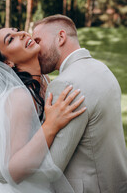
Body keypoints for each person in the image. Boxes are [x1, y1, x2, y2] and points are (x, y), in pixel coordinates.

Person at [0, 27, 86, 193]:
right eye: (10, 39)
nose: (22, 34)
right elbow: (15, 171)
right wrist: (51, 125)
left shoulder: (43, 79)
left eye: (17, 30)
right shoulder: (20, 97)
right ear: (8, 63)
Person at [32, 14, 127, 193]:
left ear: (60, 37)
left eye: (38, 40)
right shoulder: (101, 68)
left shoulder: (64, 85)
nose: (35, 49)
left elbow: (52, 168)